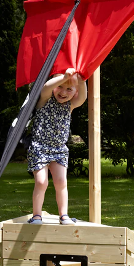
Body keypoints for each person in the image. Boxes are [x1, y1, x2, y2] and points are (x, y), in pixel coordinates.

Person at [27, 68, 87, 225]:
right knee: (41, 182)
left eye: (69, 89)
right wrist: (64, 78)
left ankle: (64, 215)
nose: (63, 92)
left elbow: (82, 98)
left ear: (74, 92)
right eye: (60, 86)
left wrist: (82, 81)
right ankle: (37, 215)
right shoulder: (44, 100)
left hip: (59, 150)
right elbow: (46, 87)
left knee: (61, 182)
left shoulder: (70, 105)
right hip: (40, 147)